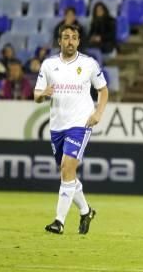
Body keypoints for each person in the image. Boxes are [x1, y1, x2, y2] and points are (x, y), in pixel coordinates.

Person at [33, 25, 108, 235]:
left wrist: (98, 114)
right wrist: (42, 94)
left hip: (80, 123)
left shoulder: (89, 64)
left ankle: (59, 221)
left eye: (74, 38)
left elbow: (103, 90)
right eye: (66, 37)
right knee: (67, 173)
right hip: (57, 126)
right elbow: (36, 95)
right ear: (59, 41)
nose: (70, 41)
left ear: (79, 41)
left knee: (67, 167)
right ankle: (86, 211)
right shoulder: (49, 65)